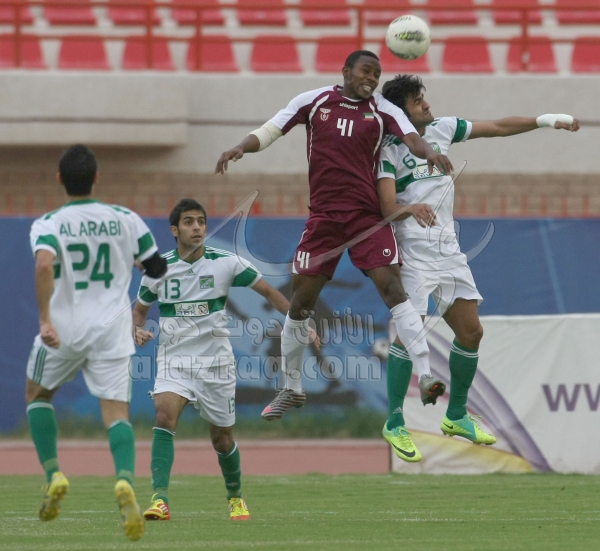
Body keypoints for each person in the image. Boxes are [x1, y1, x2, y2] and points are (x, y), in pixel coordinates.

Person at [215, 50, 453, 462]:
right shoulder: (315, 101)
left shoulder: (384, 110)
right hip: (324, 220)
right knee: (300, 304)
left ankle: (427, 374)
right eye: (365, 71)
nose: (371, 79)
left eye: (376, 73)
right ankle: (292, 387)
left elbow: (412, 138)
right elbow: (272, 129)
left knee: (393, 290)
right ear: (345, 72)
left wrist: (429, 153)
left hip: (366, 219)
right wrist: (240, 146)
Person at [377, 74, 580, 453]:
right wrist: (411, 208)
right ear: (402, 112)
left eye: (424, 98)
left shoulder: (443, 129)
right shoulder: (387, 151)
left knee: (471, 333)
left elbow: (498, 127)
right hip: (413, 254)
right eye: (418, 101)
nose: (427, 105)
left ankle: (456, 415)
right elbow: (387, 207)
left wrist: (545, 119)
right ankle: (395, 422)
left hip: (449, 251)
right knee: (410, 335)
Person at [26, 144, 167, 540]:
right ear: (96, 178)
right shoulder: (125, 218)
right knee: (117, 413)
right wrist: (136, 266)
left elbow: (44, 264)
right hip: (112, 328)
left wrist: (44, 319)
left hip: (65, 327)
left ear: (60, 179)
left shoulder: (49, 223)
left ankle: (54, 474)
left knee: (37, 394)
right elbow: (158, 267)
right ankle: (123, 480)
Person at [132, 198, 305, 521]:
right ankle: (160, 499)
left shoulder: (227, 262)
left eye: (201, 221)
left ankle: (235, 497)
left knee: (222, 440)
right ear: (174, 230)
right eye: (188, 222)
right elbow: (139, 312)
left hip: (216, 365)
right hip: (174, 362)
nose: (197, 227)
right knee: (164, 415)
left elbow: (269, 292)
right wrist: (137, 330)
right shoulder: (158, 269)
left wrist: (300, 323)